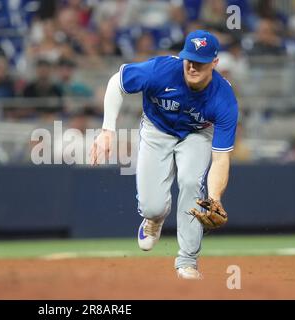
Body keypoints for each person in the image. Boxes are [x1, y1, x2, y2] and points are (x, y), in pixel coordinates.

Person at [90, 30, 238, 280]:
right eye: (189, 59)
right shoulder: (160, 70)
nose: (192, 67)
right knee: (152, 205)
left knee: (192, 183)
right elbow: (118, 82)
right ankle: (154, 219)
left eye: (200, 62)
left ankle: (187, 262)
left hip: (196, 134)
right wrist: (107, 130)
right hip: (156, 129)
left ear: (214, 63)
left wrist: (214, 198)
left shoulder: (224, 99)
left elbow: (221, 158)